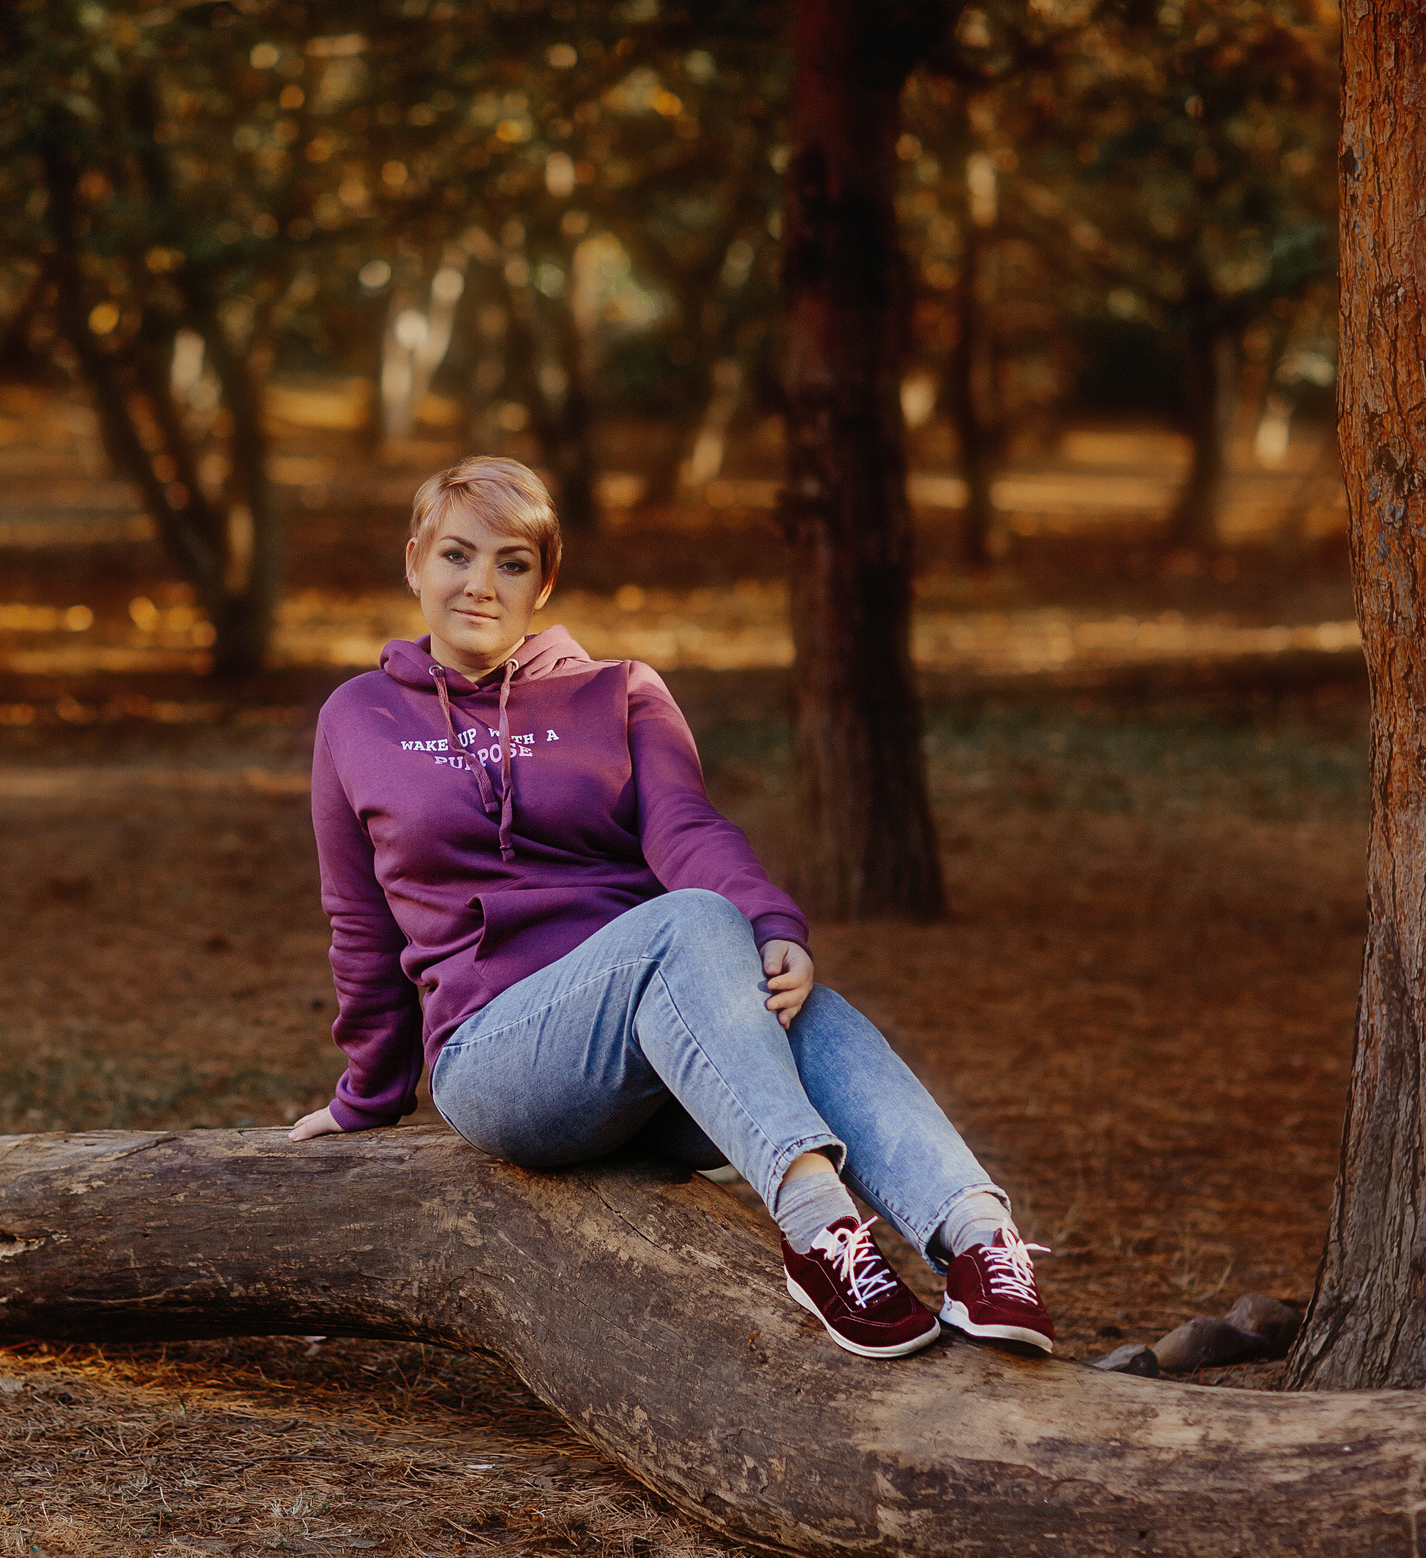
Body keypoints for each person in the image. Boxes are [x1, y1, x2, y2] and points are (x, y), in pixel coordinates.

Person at [286, 456, 1053, 1359]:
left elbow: (688, 826)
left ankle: (981, 1240)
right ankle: (819, 1227)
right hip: (499, 1058)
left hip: (666, 1056)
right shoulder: (358, 717)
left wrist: (771, 926)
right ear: (414, 560)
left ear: (544, 581)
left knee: (797, 1007)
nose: (480, 584)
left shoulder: (620, 691)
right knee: (688, 922)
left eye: (511, 562)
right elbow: (360, 923)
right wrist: (366, 1096)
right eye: (457, 554)